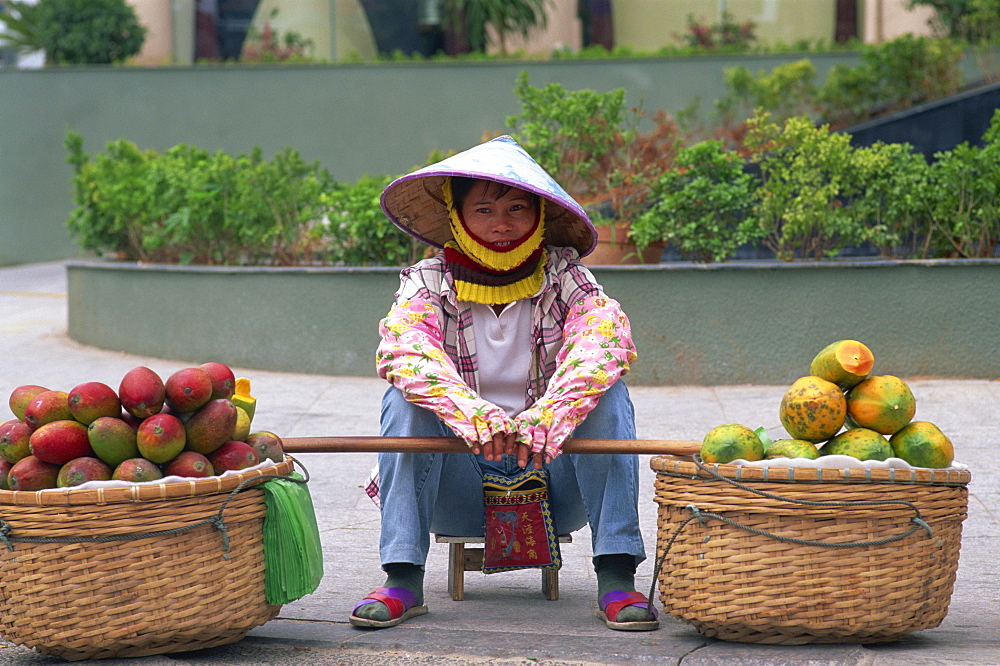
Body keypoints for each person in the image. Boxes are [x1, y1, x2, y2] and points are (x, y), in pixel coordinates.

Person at [350, 135, 658, 632]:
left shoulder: (565, 276)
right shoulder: (427, 281)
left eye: (517, 208)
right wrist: (475, 418)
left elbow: (604, 339)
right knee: (401, 400)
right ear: (458, 217)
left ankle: (617, 575)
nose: (501, 223)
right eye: (484, 209)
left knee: (610, 393)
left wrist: (548, 419)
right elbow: (407, 351)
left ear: (539, 215)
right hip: (457, 482)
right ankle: (402, 578)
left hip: (552, 475)